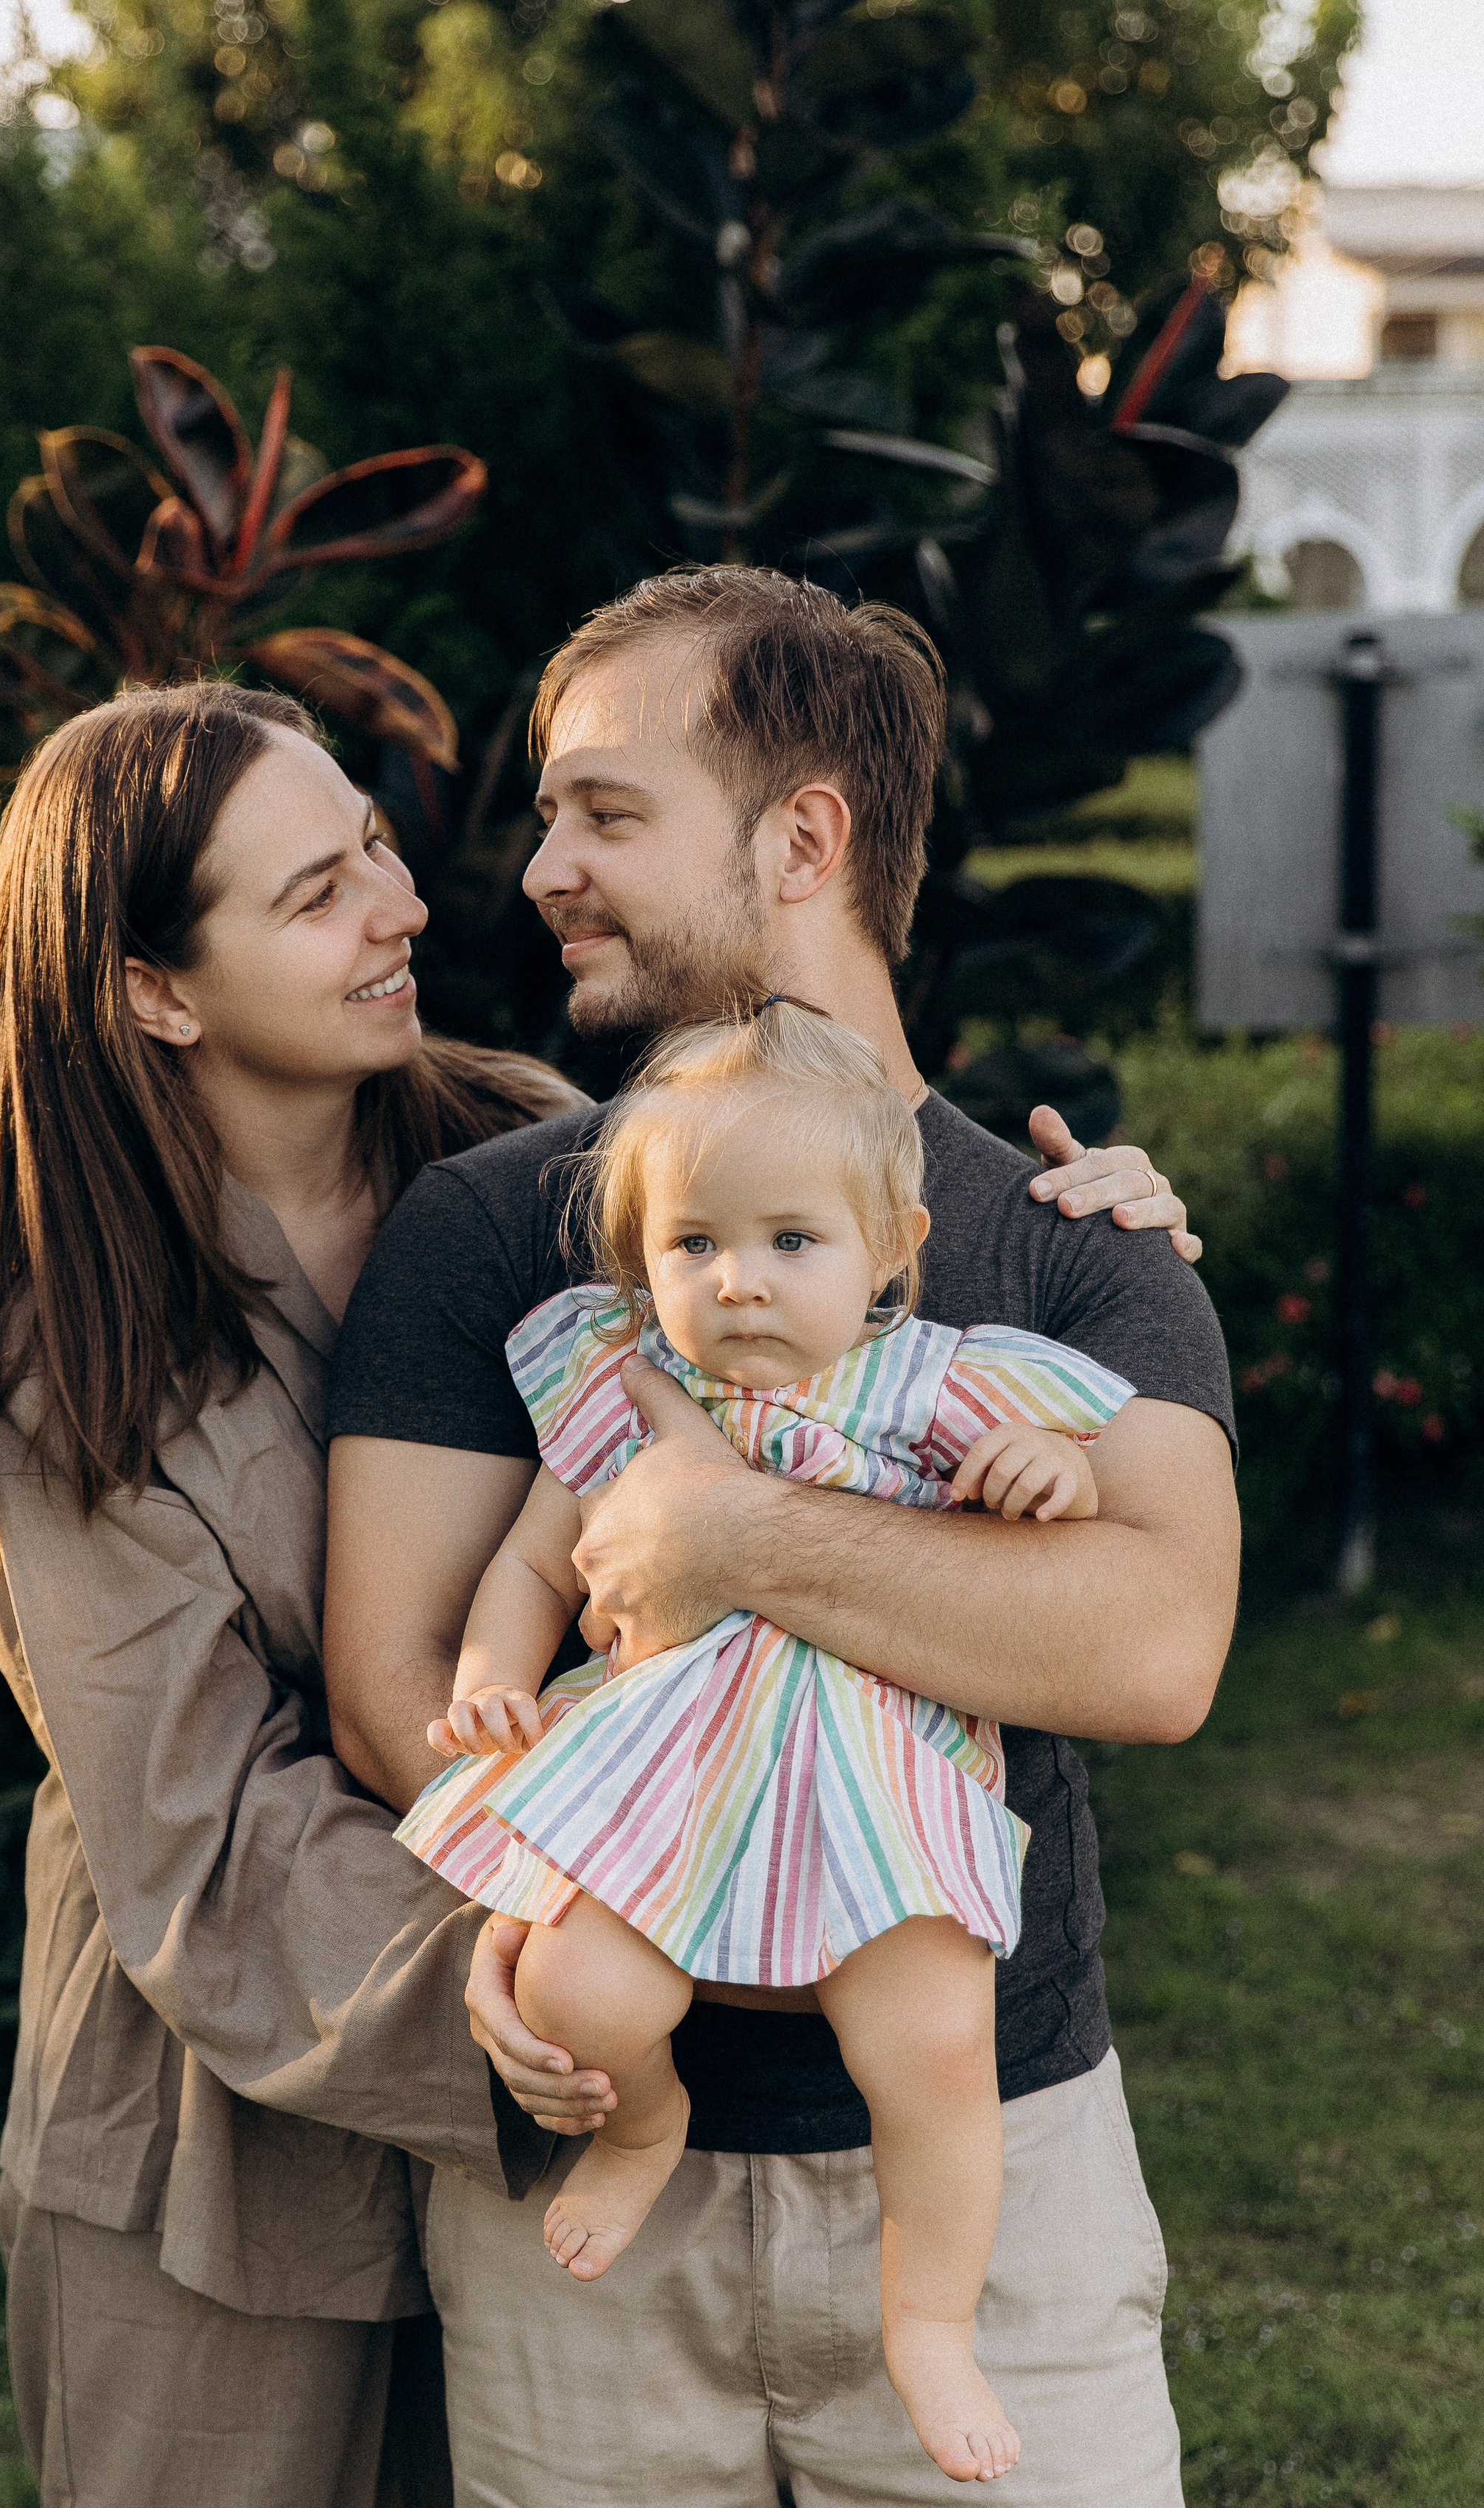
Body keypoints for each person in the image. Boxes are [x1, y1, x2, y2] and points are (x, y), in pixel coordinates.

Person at [324, 569, 1238, 2507]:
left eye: (604, 812)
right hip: (581, 2189)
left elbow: (1157, 1645)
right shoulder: (499, 1235)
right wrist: (537, 1902)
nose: (541, 866)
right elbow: (395, 1677)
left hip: (996, 2177)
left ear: (802, 836)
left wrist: (733, 1533)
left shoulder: (1065, 1245)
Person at [0, 680, 586, 2508]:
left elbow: (803, 1316)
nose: (402, 905)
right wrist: (545, 1976)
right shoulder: (56, 1353)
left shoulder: (532, 1159)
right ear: (152, 990)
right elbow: (198, 1828)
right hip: (212, 2150)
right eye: (314, 893)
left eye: (377, 848)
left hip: (581, 2088)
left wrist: (1065, 1248)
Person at [399, 1007, 1141, 2485]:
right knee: (577, 1985)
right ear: (640, 1261)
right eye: (691, 1246)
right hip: (672, 1779)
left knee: (927, 2041)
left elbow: (1082, 1505)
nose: (735, 1280)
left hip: (872, 1784)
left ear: (887, 1247)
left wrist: (1041, 1469)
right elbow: (536, 1565)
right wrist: (490, 1672)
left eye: (789, 1242)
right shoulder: (614, 1391)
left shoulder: (933, 1383)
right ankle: (642, 2130)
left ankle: (924, 2315)